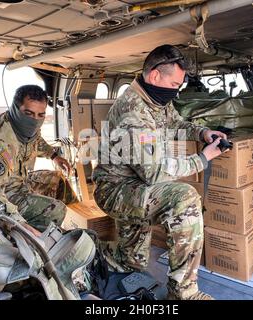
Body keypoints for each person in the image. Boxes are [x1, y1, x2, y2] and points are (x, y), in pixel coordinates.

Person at [92, 45, 228, 300]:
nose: (176, 90)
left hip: (133, 184)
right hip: (116, 190)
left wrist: (202, 133)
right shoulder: (134, 113)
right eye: (175, 83)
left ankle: (102, 257)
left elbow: (176, 122)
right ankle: (183, 294)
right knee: (184, 198)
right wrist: (202, 158)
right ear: (155, 76)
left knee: (132, 262)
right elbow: (153, 174)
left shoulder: (154, 99)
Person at [0, 85, 72, 235]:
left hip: (16, 181)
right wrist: (19, 224)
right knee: (57, 210)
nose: (35, 120)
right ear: (15, 108)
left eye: (41, 115)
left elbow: (35, 140)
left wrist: (54, 156)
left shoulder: (22, 126)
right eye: (29, 113)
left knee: (57, 180)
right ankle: (33, 242)